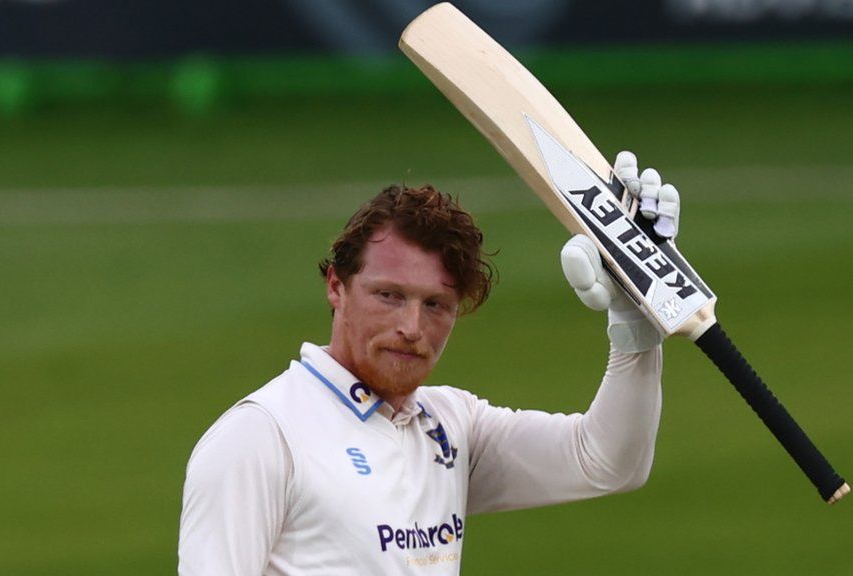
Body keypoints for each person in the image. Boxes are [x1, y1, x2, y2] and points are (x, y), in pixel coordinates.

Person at [178, 151, 681, 575]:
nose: (412, 328)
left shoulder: (451, 427)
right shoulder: (263, 436)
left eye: (435, 305)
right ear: (337, 286)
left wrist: (635, 328)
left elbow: (608, 463)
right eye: (389, 295)